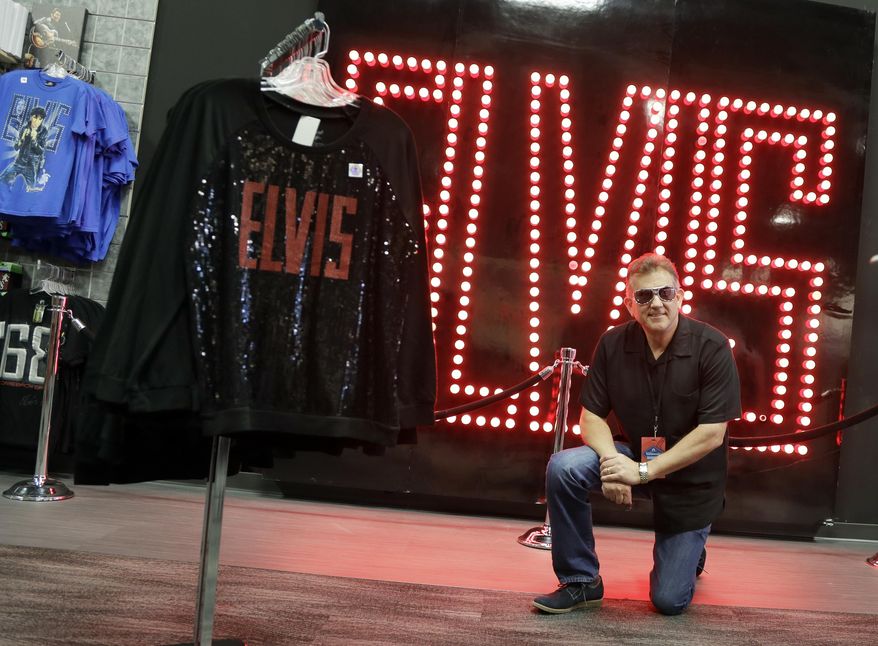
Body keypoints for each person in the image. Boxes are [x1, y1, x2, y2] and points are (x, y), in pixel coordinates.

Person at [533, 252, 741, 615]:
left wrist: (642, 472)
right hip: (634, 455)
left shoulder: (713, 347)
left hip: (690, 476)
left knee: (668, 601)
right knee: (563, 467)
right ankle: (581, 581)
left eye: (664, 293)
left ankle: (692, 548)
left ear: (679, 296)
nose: (655, 303)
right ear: (630, 304)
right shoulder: (613, 343)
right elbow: (591, 418)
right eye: (644, 296)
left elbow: (711, 434)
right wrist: (614, 463)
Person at [1, 107, 49, 191]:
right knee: (2, 178)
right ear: (31, 117)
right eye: (35, 117)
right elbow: (16, 147)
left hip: (31, 166)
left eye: (40, 119)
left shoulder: (43, 131)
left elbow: (41, 151)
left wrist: (34, 141)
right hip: (19, 162)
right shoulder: (24, 128)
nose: (36, 121)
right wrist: (21, 139)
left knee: (32, 189)